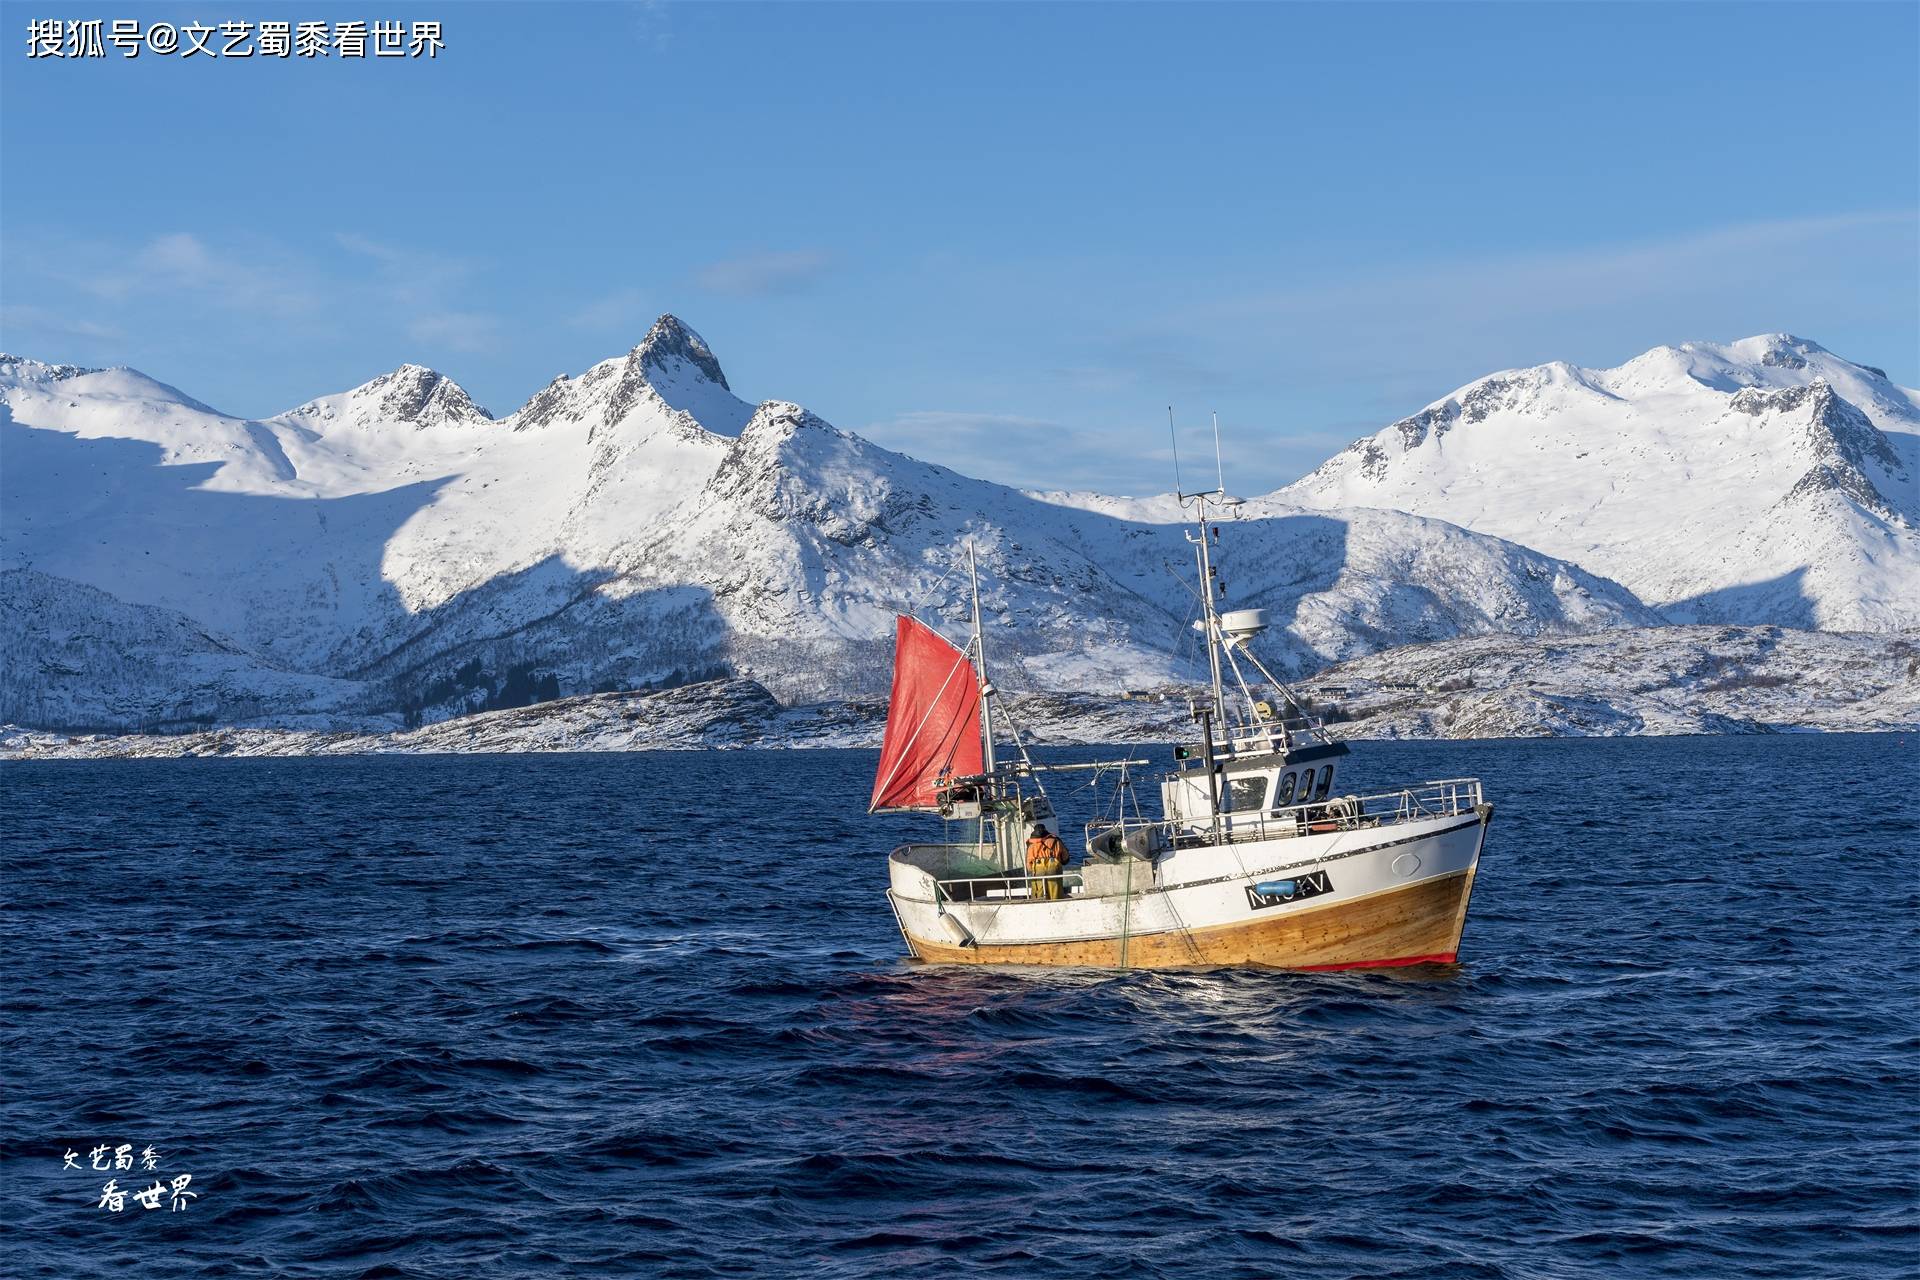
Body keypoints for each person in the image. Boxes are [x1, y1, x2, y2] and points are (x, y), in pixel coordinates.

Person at [1025, 822, 1070, 902]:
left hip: (1037, 868)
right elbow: (1065, 857)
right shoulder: (1056, 841)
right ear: (1045, 830)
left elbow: (1028, 864)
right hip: (1054, 867)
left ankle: (1039, 905)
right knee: (1055, 891)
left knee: (1038, 892)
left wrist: (1031, 871)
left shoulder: (1031, 845)